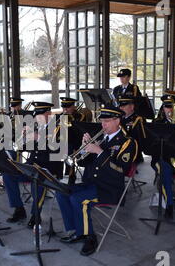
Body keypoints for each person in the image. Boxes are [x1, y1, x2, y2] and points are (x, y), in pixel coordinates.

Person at [56, 105, 138, 256]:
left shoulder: (127, 143)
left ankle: (90, 237)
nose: (103, 124)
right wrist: (84, 148)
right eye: (102, 121)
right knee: (61, 192)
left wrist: (99, 152)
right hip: (91, 184)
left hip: (109, 188)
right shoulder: (100, 138)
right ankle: (78, 230)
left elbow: (121, 170)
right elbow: (82, 163)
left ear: (117, 121)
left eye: (107, 121)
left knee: (77, 199)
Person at [3, 101, 63, 228]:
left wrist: (39, 138)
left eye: (40, 115)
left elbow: (58, 152)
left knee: (38, 181)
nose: (37, 118)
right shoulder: (36, 127)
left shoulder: (58, 128)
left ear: (49, 113)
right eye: (36, 115)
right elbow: (24, 149)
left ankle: (36, 215)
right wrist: (23, 138)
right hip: (32, 165)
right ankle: (19, 209)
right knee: (8, 175)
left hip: (49, 167)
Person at [119, 94, 146, 163]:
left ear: (132, 106)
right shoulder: (118, 118)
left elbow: (138, 140)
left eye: (124, 106)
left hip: (133, 155)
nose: (121, 108)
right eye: (120, 106)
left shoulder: (138, 120)